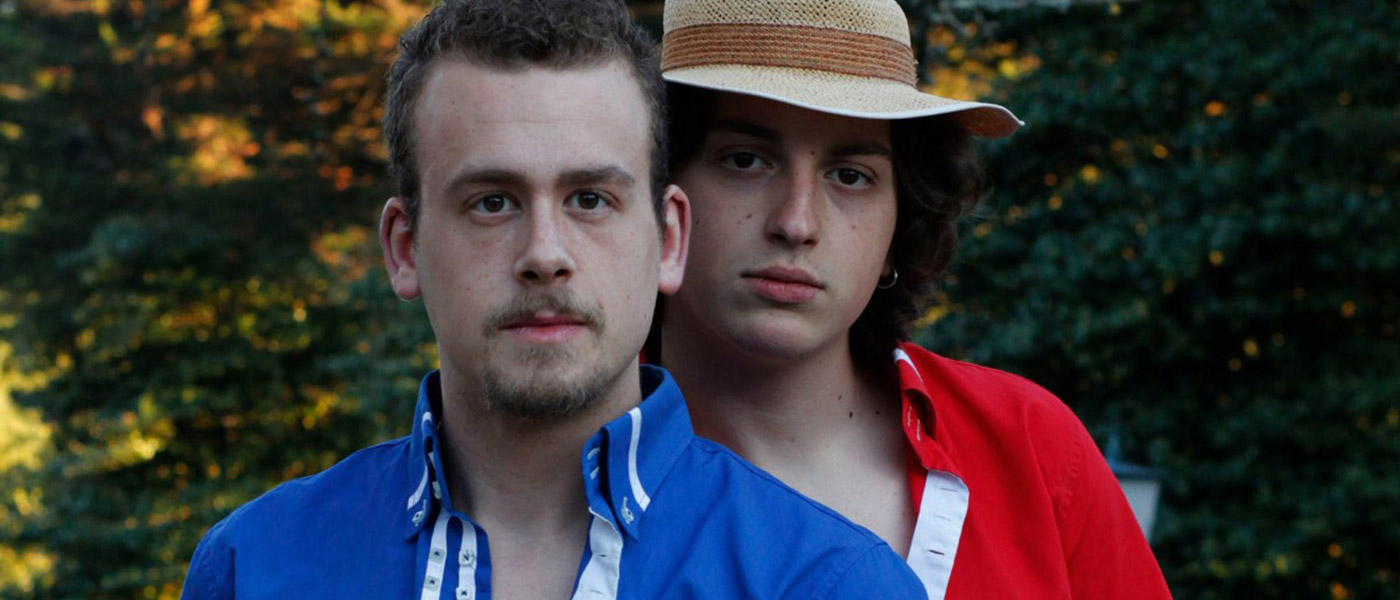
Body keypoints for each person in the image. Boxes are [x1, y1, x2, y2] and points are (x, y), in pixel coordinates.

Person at [180, 0, 928, 598]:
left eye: (590, 199)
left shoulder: (830, 582)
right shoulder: (257, 566)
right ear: (405, 248)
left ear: (669, 239)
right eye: (492, 202)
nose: (544, 255)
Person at [652, 0, 1173, 598]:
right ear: (656, 193)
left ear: (900, 225)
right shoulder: (571, 459)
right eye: (745, 160)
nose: (796, 223)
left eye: (850, 175)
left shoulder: (1031, 448)